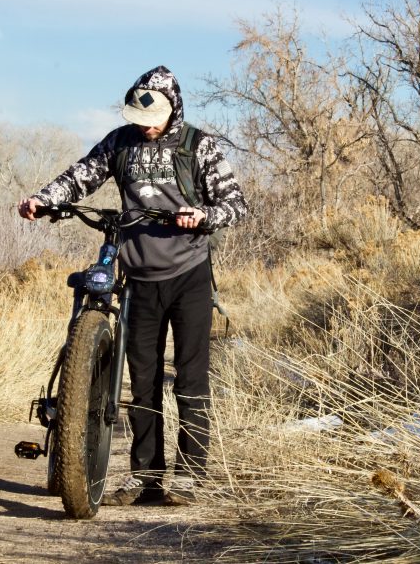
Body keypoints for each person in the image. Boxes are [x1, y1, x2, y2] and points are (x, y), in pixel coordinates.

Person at [18, 66, 248, 506]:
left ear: (174, 107)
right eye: (139, 117)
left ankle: (190, 475)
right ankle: (146, 476)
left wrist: (204, 216)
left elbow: (236, 204)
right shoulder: (119, 142)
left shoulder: (198, 146)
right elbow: (81, 176)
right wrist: (44, 200)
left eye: (155, 117)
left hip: (189, 275)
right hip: (138, 277)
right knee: (142, 383)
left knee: (190, 379)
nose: (146, 125)